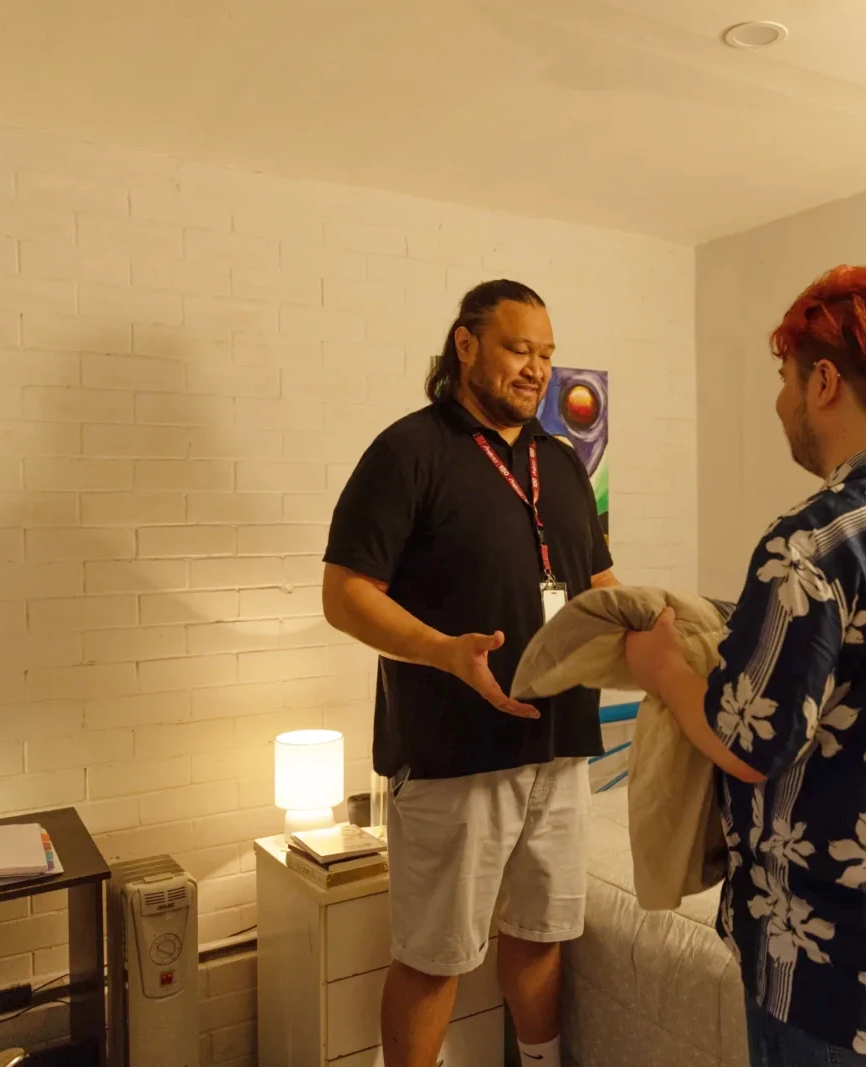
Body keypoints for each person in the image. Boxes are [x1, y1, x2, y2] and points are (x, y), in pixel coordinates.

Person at [625, 266, 866, 1067]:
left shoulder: (810, 544)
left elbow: (747, 741)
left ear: (826, 382)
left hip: (836, 973)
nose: (779, 403)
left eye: (785, 379)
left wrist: (663, 666)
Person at [322, 279, 618, 1067]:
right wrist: (444, 651)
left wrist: (659, 633)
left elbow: (597, 587)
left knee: (541, 935)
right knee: (433, 955)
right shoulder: (409, 450)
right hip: (455, 754)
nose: (537, 369)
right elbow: (345, 595)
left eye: (547, 355)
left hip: (560, 747)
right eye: (520, 348)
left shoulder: (562, 462)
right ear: (466, 346)